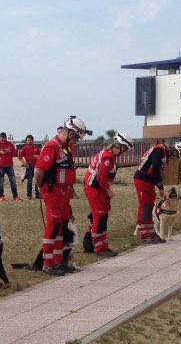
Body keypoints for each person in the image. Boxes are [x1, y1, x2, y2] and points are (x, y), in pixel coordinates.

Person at [35, 116, 91, 276]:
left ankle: (58, 261)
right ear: (71, 133)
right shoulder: (52, 147)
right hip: (53, 192)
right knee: (53, 227)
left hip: (63, 192)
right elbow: (39, 172)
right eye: (76, 138)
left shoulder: (63, 148)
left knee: (61, 225)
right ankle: (48, 263)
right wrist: (44, 190)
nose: (76, 142)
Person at [84, 132, 133, 258]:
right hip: (95, 189)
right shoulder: (108, 157)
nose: (125, 152)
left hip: (97, 189)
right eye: (125, 149)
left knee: (103, 217)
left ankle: (101, 245)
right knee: (99, 217)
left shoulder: (106, 154)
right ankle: (99, 247)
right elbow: (101, 177)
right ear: (121, 146)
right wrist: (108, 190)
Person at [133, 140, 181, 244]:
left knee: (149, 205)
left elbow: (156, 171)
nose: (174, 159)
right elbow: (155, 169)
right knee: (145, 206)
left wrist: (160, 187)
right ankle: (144, 234)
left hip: (149, 180)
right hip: (142, 179)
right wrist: (161, 187)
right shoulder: (159, 150)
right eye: (175, 157)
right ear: (175, 151)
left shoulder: (163, 153)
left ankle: (151, 233)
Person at [0, 132, 21, 202]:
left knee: (13, 181)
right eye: (2, 140)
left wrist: (8, 151)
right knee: (1, 181)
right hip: (0, 166)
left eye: (4, 140)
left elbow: (15, 153)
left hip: (9, 166)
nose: (3, 141)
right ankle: (1, 197)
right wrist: (0, 152)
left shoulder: (9, 144)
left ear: (6, 138)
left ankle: (16, 196)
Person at [19, 134, 40, 199]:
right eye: (28, 140)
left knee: (37, 181)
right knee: (30, 180)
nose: (29, 141)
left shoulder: (36, 148)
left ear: (32, 141)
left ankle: (37, 195)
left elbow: (41, 156)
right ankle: (29, 195)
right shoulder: (25, 148)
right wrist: (24, 163)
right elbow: (19, 156)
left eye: (30, 140)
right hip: (29, 166)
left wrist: (38, 157)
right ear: (26, 141)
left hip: (36, 166)